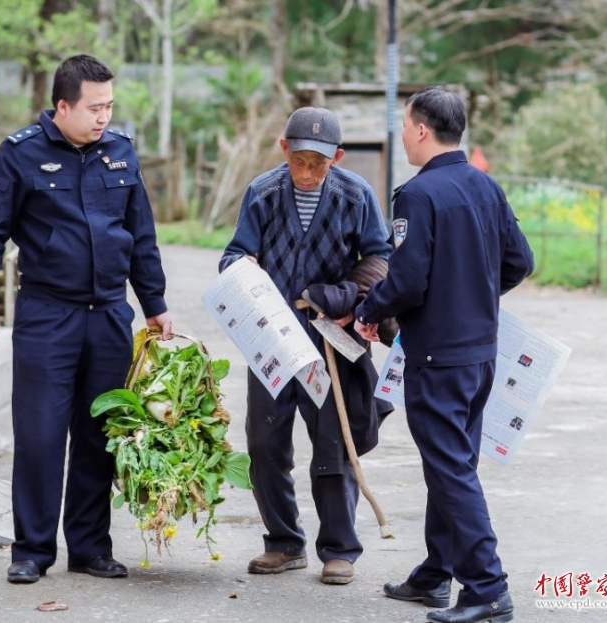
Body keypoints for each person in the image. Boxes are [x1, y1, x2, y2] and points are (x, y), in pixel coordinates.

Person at [0, 54, 172, 585]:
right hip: (46, 315)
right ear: (63, 106)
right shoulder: (20, 154)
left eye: (109, 106)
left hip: (107, 316)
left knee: (100, 433)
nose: (104, 117)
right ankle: (31, 551)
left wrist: (155, 305)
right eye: (94, 107)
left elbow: (141, 236)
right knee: (39, 436)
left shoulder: (120, 153)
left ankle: (89, 547)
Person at [354, 86, 534, 623]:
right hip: (480, 355)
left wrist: (367, 311)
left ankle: (488, 589)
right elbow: (519, 261)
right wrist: (471, 295)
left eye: (405, 125)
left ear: (423, 130)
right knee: (451, 464)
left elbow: (406, 281)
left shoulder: (418, 195)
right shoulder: (485, 185)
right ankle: (437, 573)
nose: (403, 133)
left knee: (452, 471)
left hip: (438, 358)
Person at [219, 106, 394, 585]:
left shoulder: (356, 195)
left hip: (330, 341)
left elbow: (379, 257)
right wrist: (243, 270)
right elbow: (234, 253)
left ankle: (340, 550)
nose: (309, 172)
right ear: (284, 150)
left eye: (320, 163)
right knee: (265, 444)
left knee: (333, 444)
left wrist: (349, 299)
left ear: (337, 157)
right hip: (271, 340)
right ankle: (283, 543)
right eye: (300, 161)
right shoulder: (262, 193)